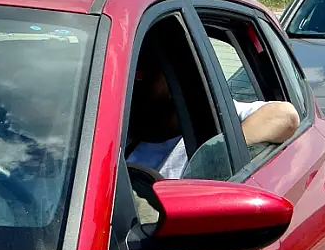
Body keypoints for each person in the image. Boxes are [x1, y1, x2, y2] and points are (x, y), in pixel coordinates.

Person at [125, 47, 300, 180]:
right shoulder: (113, 129)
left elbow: (285, 115)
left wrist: (219, 151)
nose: (130, 84)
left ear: (175, 77)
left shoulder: (211, 117)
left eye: (140, 74)